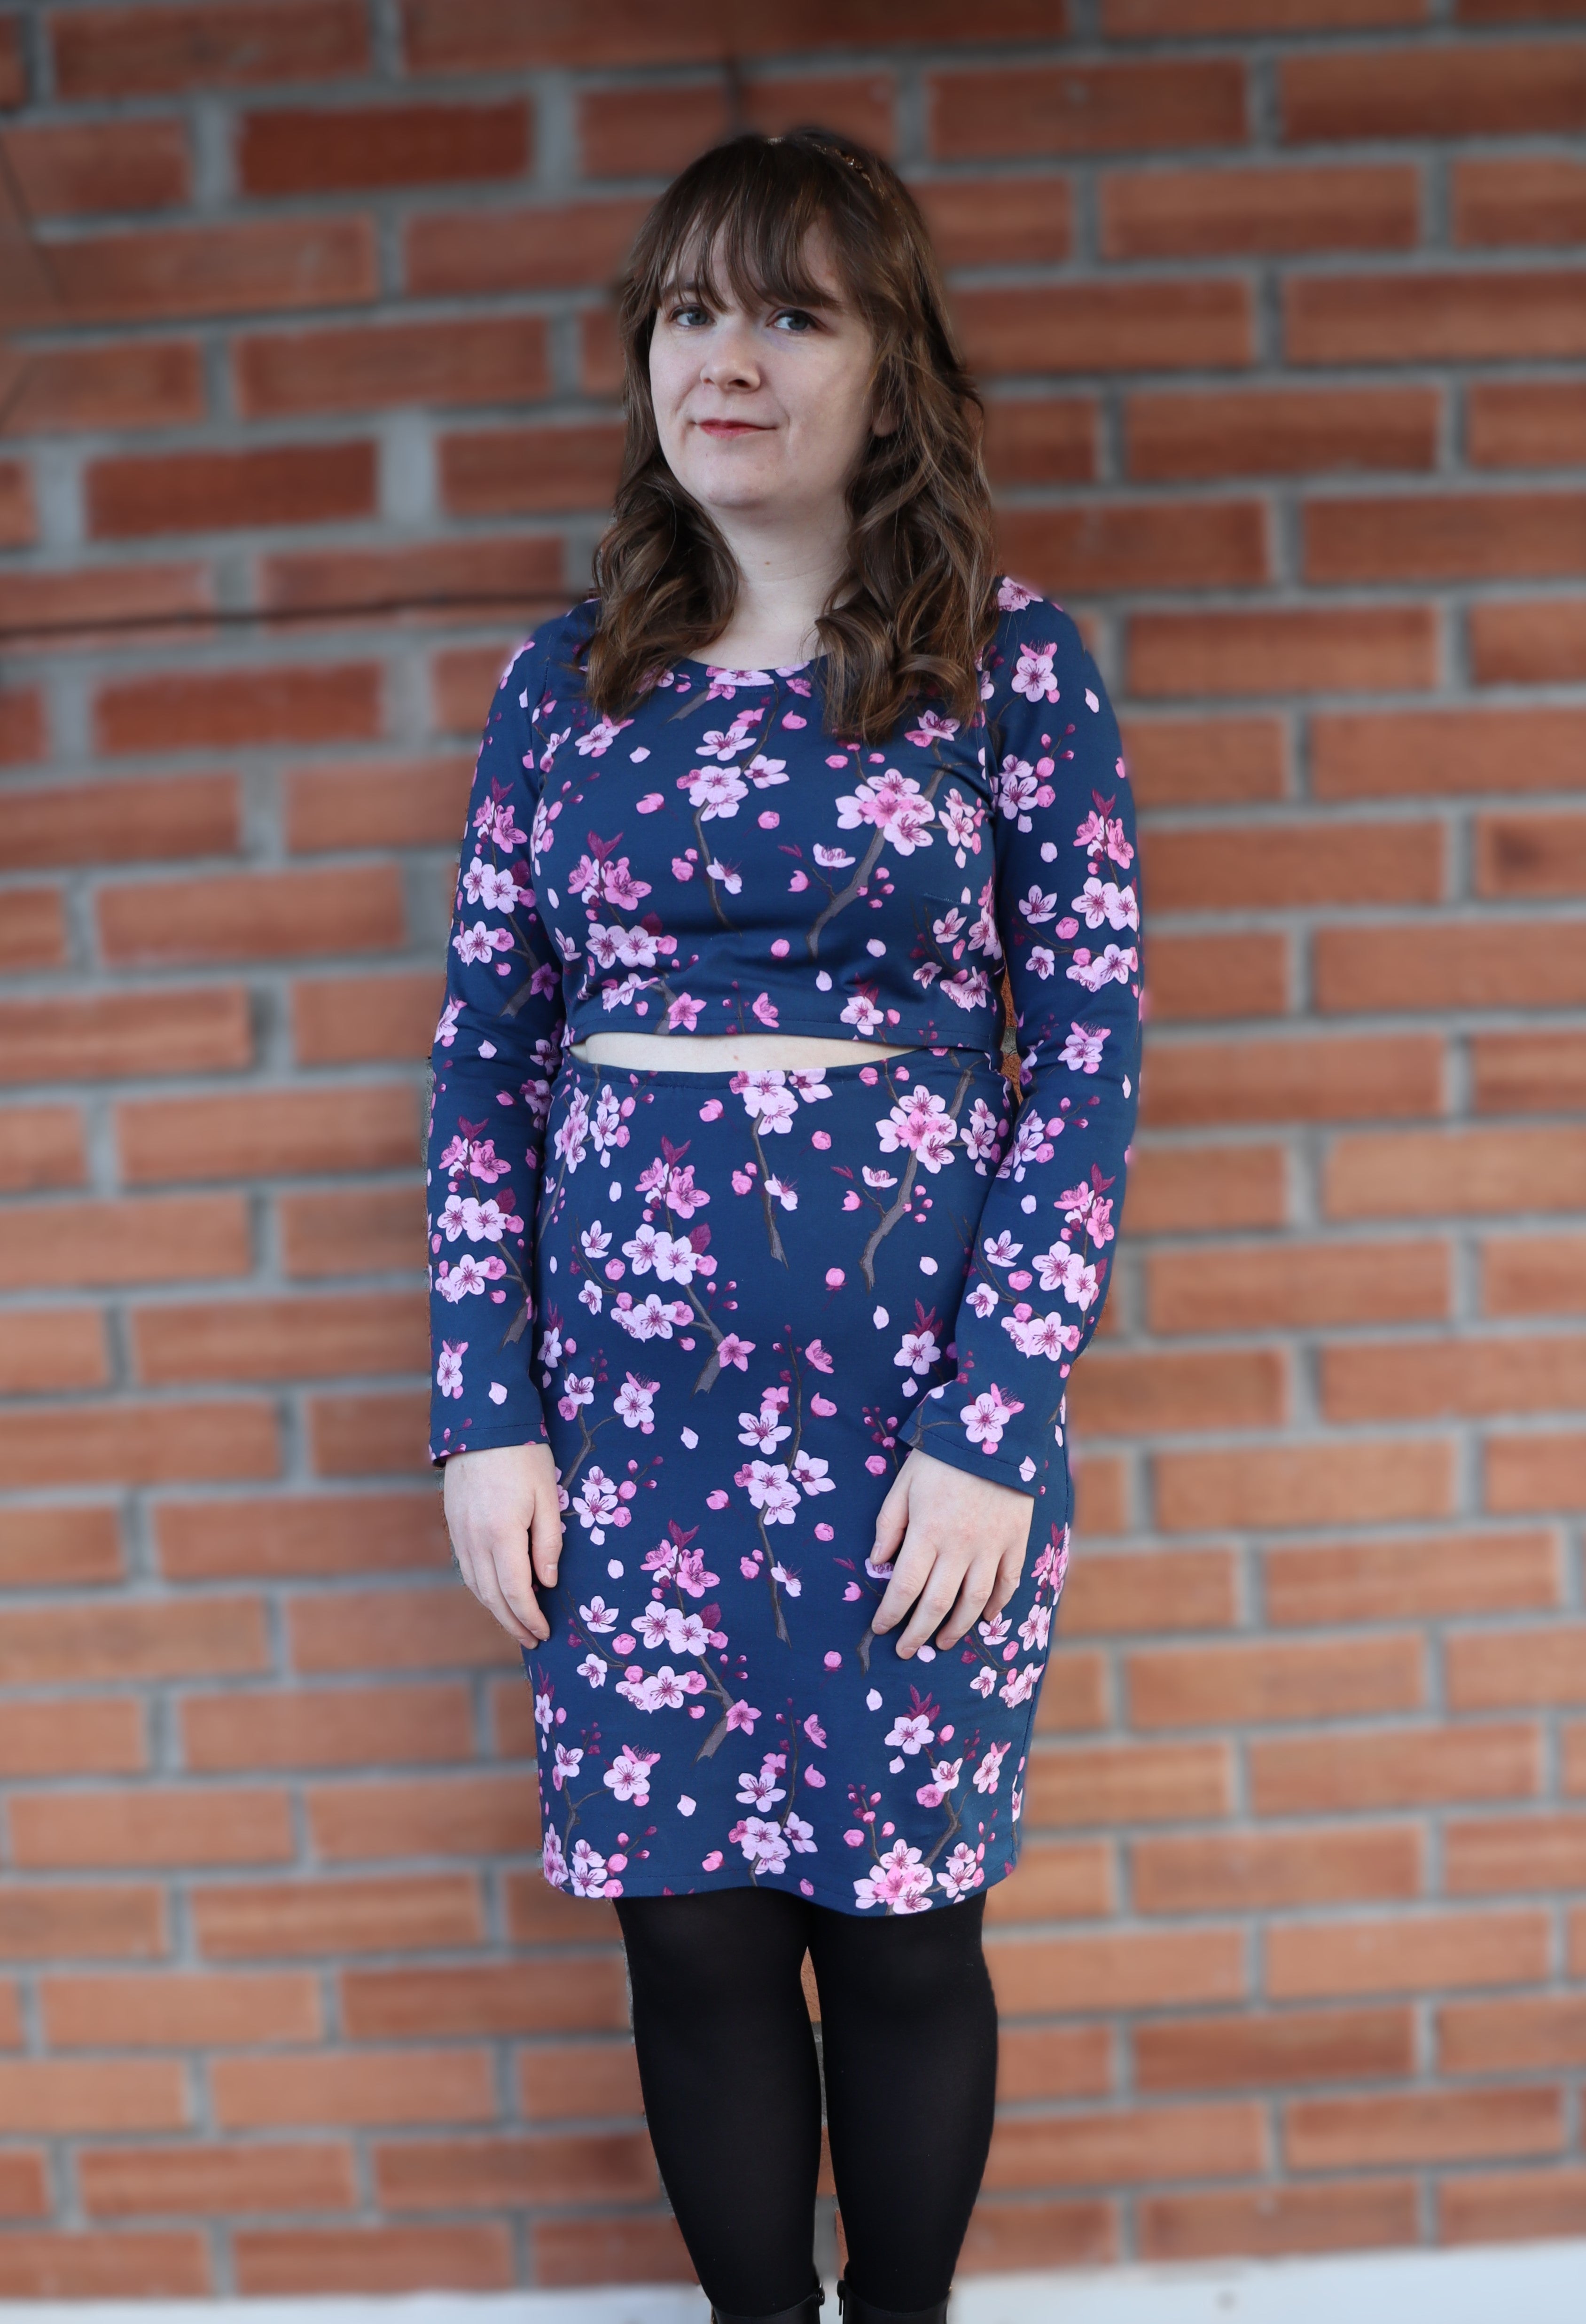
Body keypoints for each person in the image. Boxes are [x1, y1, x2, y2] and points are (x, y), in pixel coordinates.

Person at [427, 130, 1141, 2324]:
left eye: (789, 312)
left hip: (905, 1424)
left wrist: (993, 1419)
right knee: (694, 1919)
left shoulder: (1004, 668)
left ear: (885, 366)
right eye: (687, 312)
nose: (723, 360)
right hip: (627, 1431)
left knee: (903, 1919)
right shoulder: (569, 689)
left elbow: (1086, 1066)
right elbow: (485, 1065)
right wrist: (485, 1409)